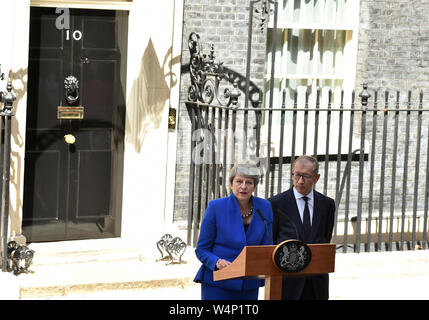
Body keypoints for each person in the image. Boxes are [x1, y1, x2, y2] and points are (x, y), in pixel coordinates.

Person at [194, 161, 273, 300]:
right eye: (239, 181)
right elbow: (201, 249)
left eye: (249, 182)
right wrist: (217, 262)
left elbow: (267, 247)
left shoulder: (264, 207)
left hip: (249, 283)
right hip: (218, 283)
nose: (243, 186)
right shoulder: (216, 207)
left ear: (254, 186)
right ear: (231, 184)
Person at [268, 155, 335, 300]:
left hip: (317, 283)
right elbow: (272, 241)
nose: (300, 181)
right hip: (287, 282)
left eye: (306, 176)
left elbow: (325, 237)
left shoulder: (327, 205)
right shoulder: (276, 204)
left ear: (316, 178)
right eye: (297, 175)